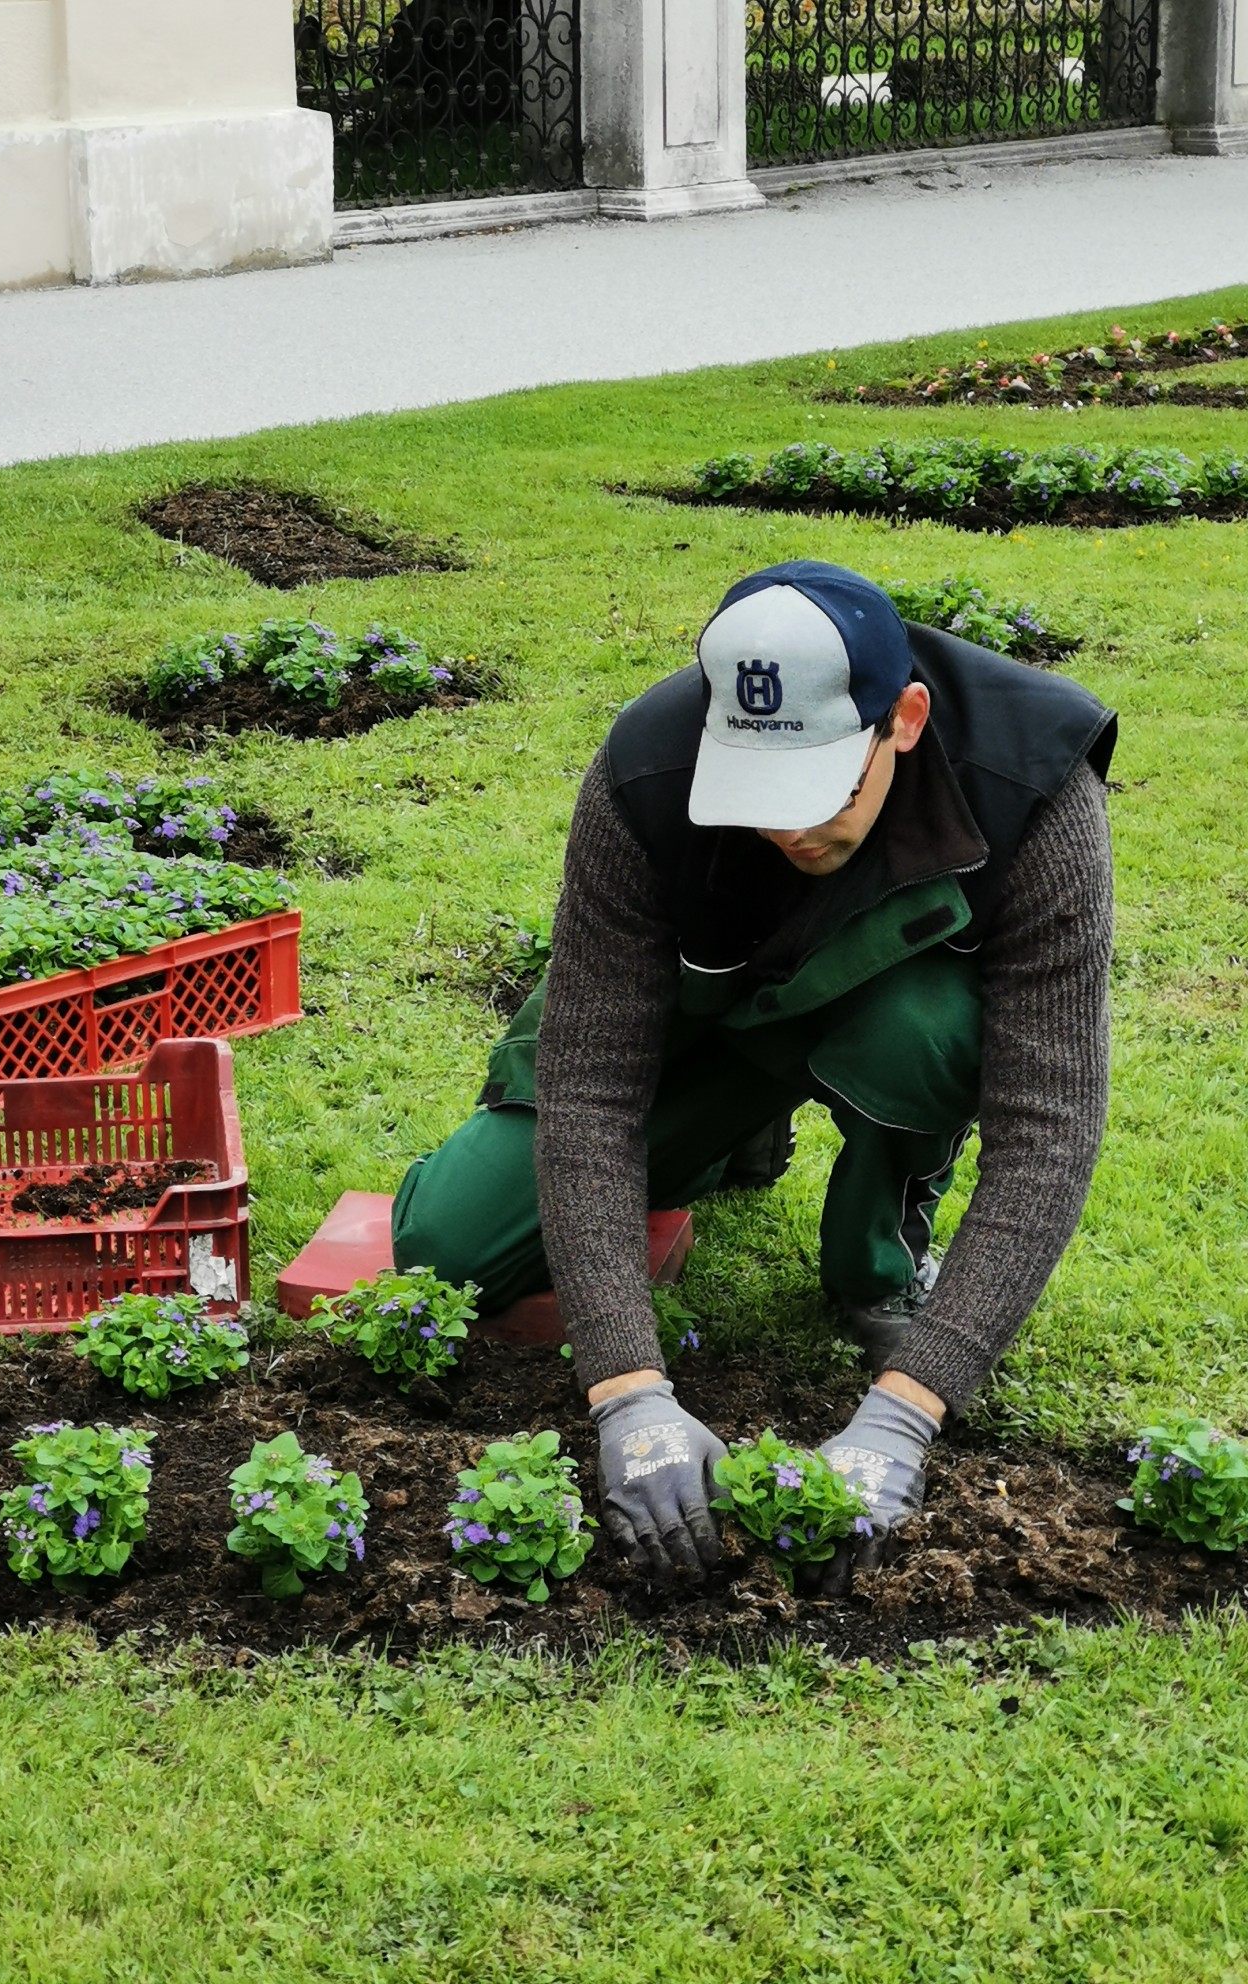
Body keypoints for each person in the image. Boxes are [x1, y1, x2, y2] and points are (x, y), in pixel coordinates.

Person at [393, 560, 1116, 1588]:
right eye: (763, 794)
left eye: (822, 789)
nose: (792, 829)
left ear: (901, 719)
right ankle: (737, 1128)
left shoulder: (1032, 783)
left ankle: (879, 1246)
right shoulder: (645, 772)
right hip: (705, 1013)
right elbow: (594, 1089)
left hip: (886, 1017)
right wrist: (627, 1390)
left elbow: (1050, 1126)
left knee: (921, 1035)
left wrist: (911, 1407)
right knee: (446, 1245)